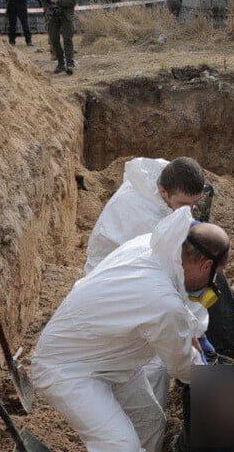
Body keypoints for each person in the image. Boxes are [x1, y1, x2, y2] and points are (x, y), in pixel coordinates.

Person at [32, 208, 225, 452]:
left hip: (110, 355)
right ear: (205, 265)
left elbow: (174, 316)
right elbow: (186, 370)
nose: (211, 283)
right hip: (68, 368)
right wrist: (210, 368)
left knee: (149, 419)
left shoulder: (149, 245)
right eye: (213, 276)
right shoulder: (162, 301)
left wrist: (189, 332)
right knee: (119, 449)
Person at [84, 157, 207, 406]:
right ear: (163, 191)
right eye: (184, 204)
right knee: (153, 365)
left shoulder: (167, 175)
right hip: (114, 286)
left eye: (195, 204)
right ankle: (145, 418)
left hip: (139, 273)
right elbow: (165, 279)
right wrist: (192, 328)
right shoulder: (142, 219)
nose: (190, 211)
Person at [39, 0, 77, 75]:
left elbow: (73, 2)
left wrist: (58, 1)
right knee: (54, 40)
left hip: (66, 15)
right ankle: (61, 63)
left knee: (67, 39)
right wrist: (48, 8)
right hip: (53, 16)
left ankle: (70, 64)